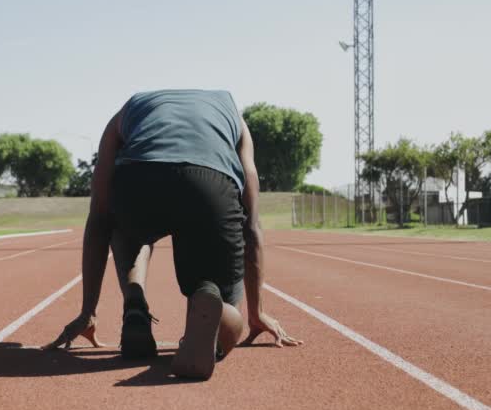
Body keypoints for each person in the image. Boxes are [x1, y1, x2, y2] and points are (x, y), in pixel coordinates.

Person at [43, 89, 301, 378]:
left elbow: (99, 219)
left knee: (119, 225)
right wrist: (257, 311)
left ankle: (135, 304)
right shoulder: (235, 118)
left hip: (139, 182)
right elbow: (251, 226)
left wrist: (87, 311)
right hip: (210, 186)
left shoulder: (128, 111)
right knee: (227, 310)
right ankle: (211, 303)